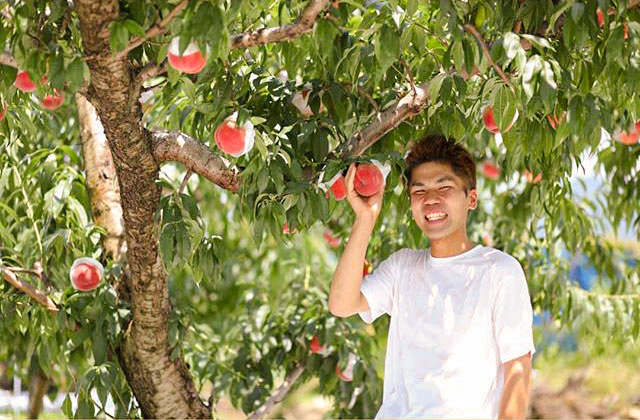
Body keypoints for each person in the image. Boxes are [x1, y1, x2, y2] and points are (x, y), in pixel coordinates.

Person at [328, 134, 535, 419]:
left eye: (445, 187)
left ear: (471, 199)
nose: (431, 200)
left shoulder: (499, 271)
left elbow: (518, 369)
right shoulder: (403, 268)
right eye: (419, 191)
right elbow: (341, 304)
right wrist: (366, 218)